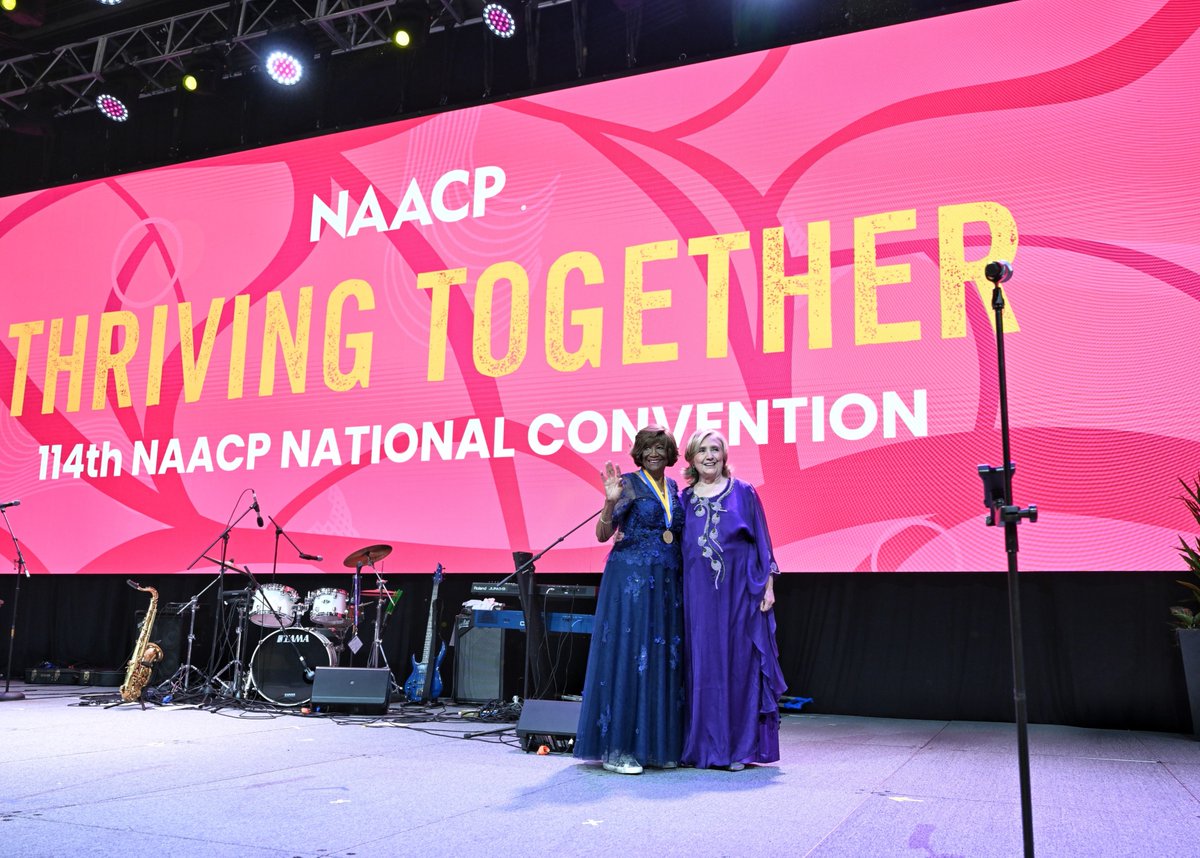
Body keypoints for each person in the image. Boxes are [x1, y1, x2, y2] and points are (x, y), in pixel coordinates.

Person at [574, 425, 685, 774]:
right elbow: (603, 533)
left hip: (665, 583)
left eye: (661, 447)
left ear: (669, 454)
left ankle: (652, 746)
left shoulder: (674, 487)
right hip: (630, 584)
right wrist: (608, 502)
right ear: (639, 453)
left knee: (656, 660)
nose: (654, 453)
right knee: (630, 657)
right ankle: (617, 749)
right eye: (648, 448)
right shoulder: (629, 485)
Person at [679, 429, 787, 770]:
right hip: (697, 597)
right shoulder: (682, 500)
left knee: (738, 667)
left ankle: (737, 750)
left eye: (715, 449)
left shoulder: (744, 492)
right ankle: (702, 748)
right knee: (703, 667)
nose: (709, 456)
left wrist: (767, 586)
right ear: (692, 458)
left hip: (740, 593)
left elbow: (763, 544)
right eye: (702, 450)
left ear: (724, 456)